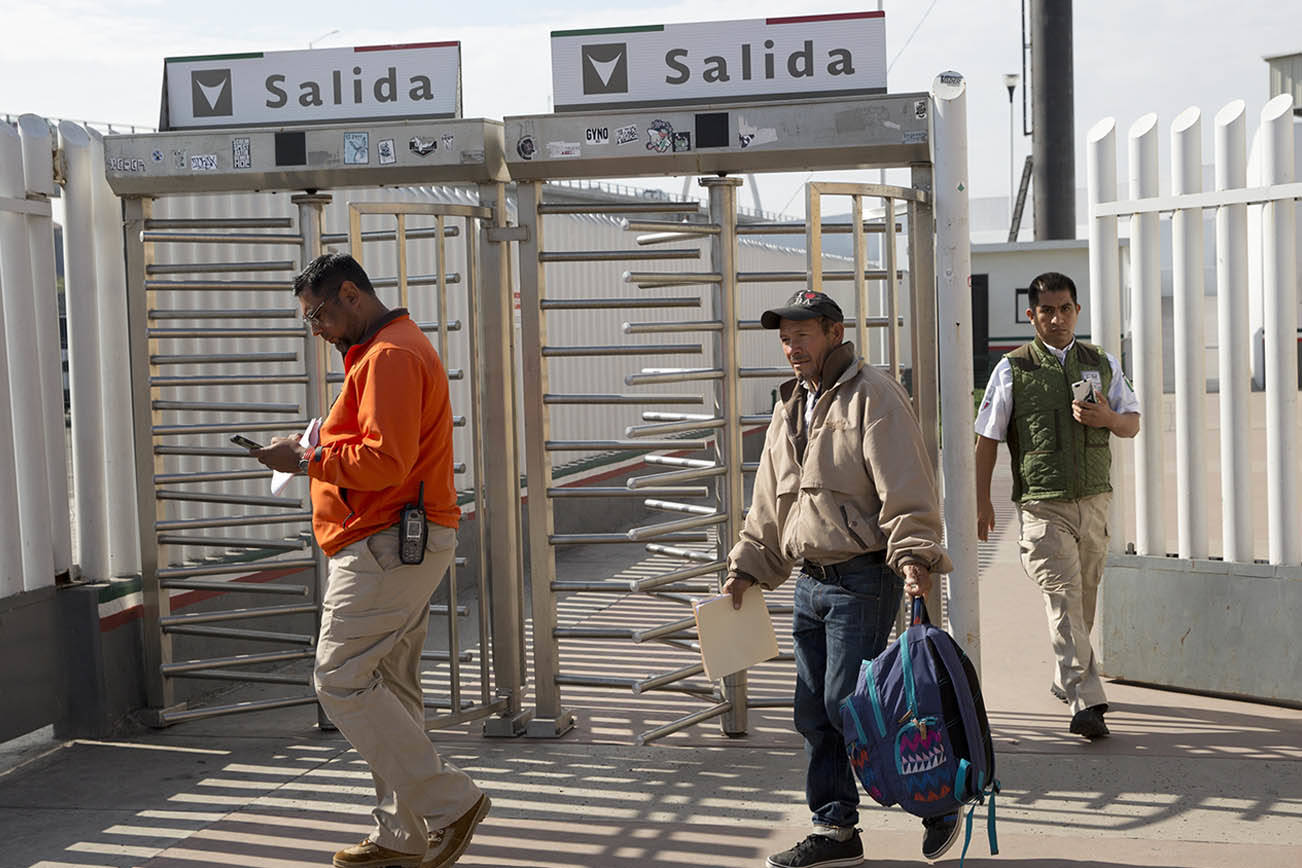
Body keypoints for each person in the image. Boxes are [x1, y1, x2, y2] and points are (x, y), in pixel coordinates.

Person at [252, 253, 489, 868]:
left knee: (340, 678)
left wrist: (303, 461)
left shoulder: (389, 356)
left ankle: (452, 802)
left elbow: (386, 463)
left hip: (386, 544)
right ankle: (402, 835)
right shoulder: (383, 352)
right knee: (390, 685)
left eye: (319, 315)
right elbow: (375, 445)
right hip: (392, 540)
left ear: (351, 294)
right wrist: (319, 444)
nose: (317, 329)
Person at [724, 290, 957, 868]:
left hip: (862, 577)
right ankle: (835, 831)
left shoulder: (873, 395)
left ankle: (939, 798)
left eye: (803, 334)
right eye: (784, 337)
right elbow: (770, 500)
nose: (792, 347)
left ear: (834, 332)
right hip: (810, 581)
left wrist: (914, 555)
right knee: (814, 709)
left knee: (849, 702)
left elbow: (905, 483)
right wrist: (746, 566)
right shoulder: (790, 405)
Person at [974, 271, 1140, 741]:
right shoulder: (1013, 368)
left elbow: (1131, 423)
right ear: (1031, 316)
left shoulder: (1101, 362)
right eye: (1046, 310)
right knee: (1063, 595)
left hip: (1094, 500)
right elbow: (986, 438)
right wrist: (982, 499)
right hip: (1042, 505)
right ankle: (1086, 699)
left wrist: (1107, 417)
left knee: (1083, 599)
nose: (1057, 318)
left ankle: (1062, 675)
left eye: (1065, 308)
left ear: (1077, 312)